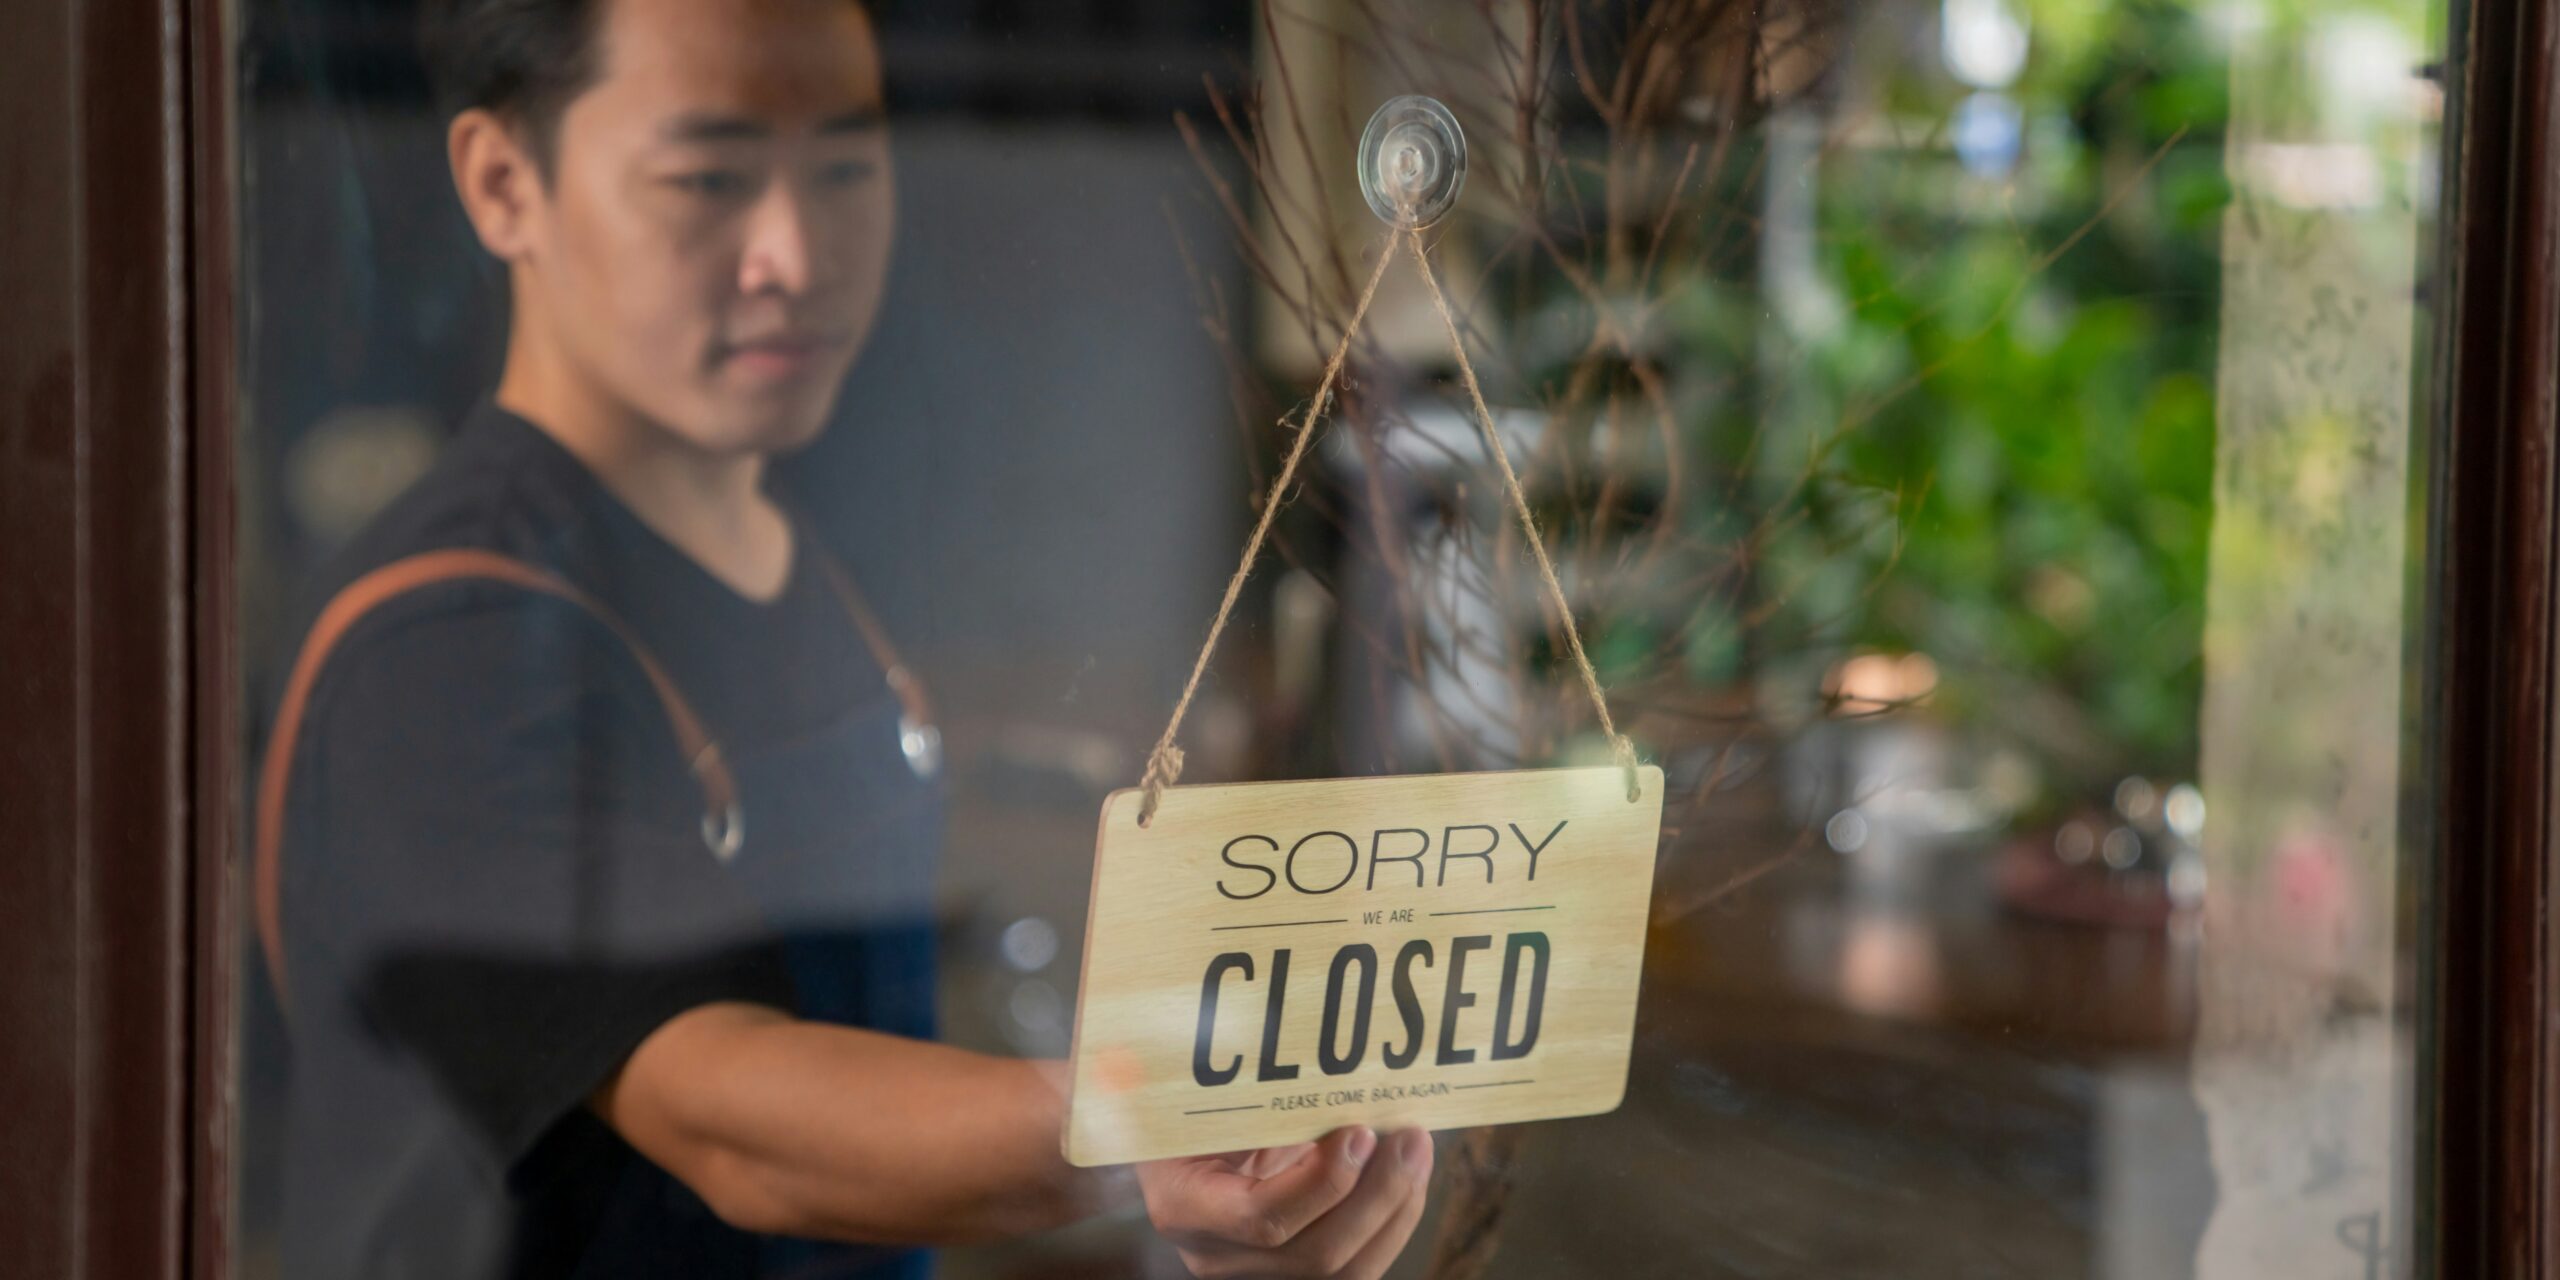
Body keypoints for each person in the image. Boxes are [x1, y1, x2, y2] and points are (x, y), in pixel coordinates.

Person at [256, 0, 1435, 1275]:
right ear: (504, 184)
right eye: (707, 178)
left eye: (843, 168)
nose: (794, 254)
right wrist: (1152, 1124)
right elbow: (734, 1115)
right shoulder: (445, 641)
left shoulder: (780, 547)